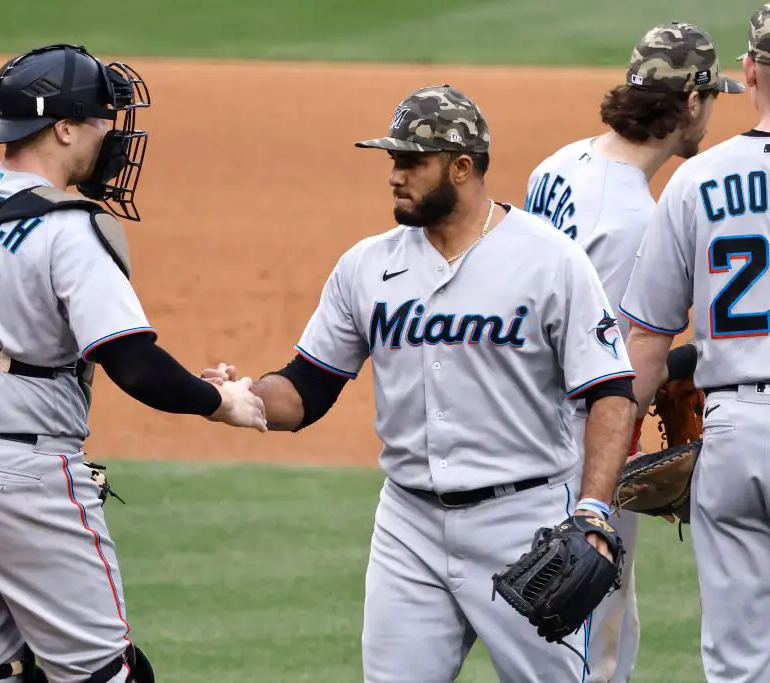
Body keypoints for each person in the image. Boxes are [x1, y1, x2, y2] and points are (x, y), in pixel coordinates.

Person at [204, 84, 636, 682]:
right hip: (409, 525)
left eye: (412, 161)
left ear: (462, 167)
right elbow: (306, 388)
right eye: (393, 159)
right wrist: (242, 400)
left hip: (527, 521)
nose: (394, 175)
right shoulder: (367, 266)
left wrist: (591, 510)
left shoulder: (550, 261)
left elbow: (610, 389)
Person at [0, 43, 266, 683]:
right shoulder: (69, 228)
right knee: (108, 676)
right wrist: (221, 402)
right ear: (63, 128)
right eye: (105, 120)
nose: (114, 135)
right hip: (21, 482)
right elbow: (132, 364)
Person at [523, 21, 743, 683]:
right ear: (692, 103)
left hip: (518, 423)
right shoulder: (635, 220)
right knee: (596, 650)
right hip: (579, 454)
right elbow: (612, 367)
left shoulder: (559, 165)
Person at [621, 6, 770, 682]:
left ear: (750, 71)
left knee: (739, 665)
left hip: (735, 430)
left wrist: (599, 479)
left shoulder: (697, 181)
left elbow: (648, 339)